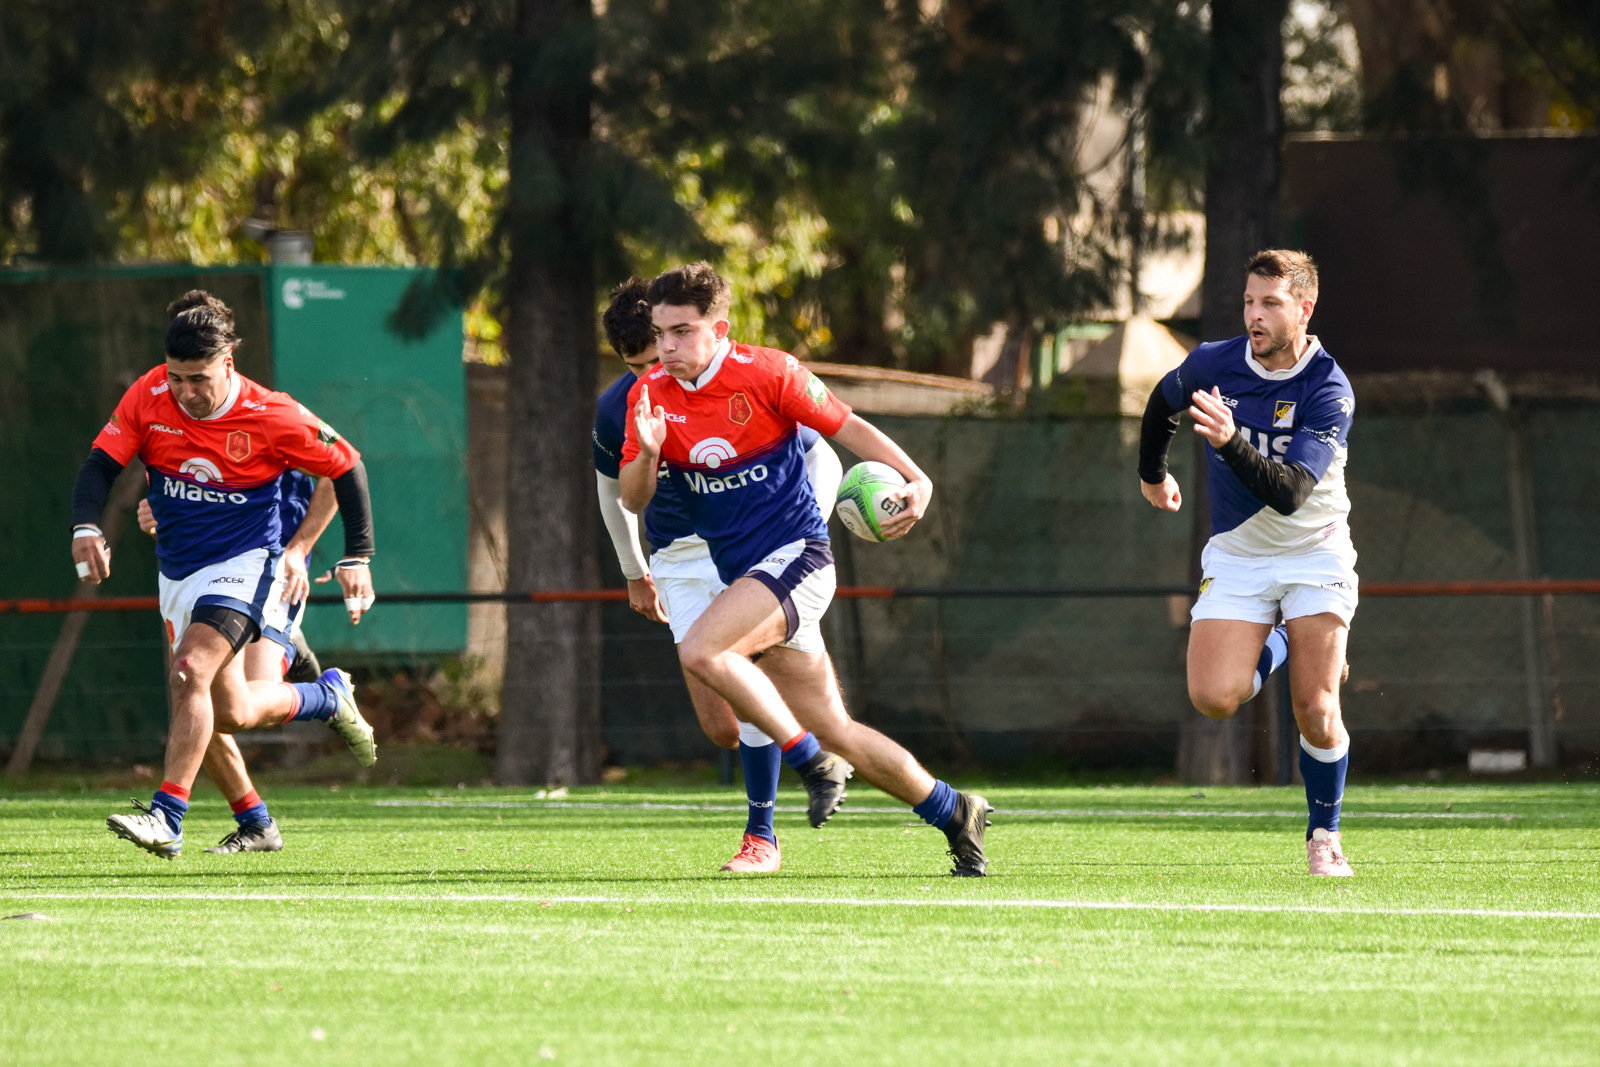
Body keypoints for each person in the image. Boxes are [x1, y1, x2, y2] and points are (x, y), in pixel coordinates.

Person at [620, 263, 992, 877]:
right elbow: (634, 498)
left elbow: (849, 427)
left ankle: (809, 761)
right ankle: (953, 809)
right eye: (661, 334)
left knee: (703, 651)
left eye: (682, 332)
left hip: (798, 559)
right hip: (747, 577)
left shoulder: (770, 372)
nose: (667, 348)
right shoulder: (650, 395)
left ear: (720, 329)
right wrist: (651, 453)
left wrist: (917, 477)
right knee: (837, 726)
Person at [72, 290, 379, 859]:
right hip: (179, 570)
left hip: (247, 564)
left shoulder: (272, 414)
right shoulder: (149, 394)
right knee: (225, 710)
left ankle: (167, 816)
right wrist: (87, 525)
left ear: (228, 363)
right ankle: (323, 701)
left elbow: (346, 467)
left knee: (189, 671)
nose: (185, 393)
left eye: (198, 380)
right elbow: (101, 465)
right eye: (176, 378)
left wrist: (352, 555)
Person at [593, 278, 845, 873]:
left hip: (755, 547)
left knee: (741, 671)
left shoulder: (739, 381)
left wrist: (802, 534)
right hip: (677, 558)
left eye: (660, 353)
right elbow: (613, 494)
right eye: (637, 364)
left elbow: (824, 453)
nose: (655, 370)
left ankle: (763, 835)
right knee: (720, 727)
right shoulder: (621, 405)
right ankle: (820, 744)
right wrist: (634, 571)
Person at [1137, 249, 1358, 877]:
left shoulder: (1329, 389)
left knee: (1316, 710)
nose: (1254, 316)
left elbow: (1290, 494)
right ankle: (1287, 639)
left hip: (1313, 551)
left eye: (1271, 304)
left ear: (1305, 310)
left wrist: (1231, 440)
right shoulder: (1216, 362)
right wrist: (1153, 474)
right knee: (1213, 698)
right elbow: (1161, 401)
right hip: (1239, 554)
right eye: (1248, 302)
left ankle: (1324, 834)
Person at [137, 466, 336, 853]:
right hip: (199, 574)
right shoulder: (161, 434)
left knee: (214, 695)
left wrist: (325, 550)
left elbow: (342, 469)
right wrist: (159, 520)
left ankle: (323, 695)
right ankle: (255, 821)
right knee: (201, 695)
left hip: (271, 566)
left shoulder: (272, 426)